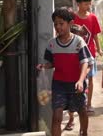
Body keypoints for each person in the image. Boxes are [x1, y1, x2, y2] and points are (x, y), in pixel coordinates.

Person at [36, 7, 93, 136]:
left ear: (70, 24)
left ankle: (84, 133)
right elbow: (51, 63)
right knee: (56, 116)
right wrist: (44, 66)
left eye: (61, 23)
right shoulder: (51, 44)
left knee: (82, 111)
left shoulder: (79, 42)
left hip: (76, 85)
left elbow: (85, 62)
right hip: (59, 85)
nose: (58, 27)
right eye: (55, 24)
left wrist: (80, 80)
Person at [69, 0, 102, 120]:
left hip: (90, 53)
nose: (88, 6)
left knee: (90, 78)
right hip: (75, 53)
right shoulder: (72, 18)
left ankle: (89, 104)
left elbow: (95, 35)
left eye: (89, 3)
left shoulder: (93, 17)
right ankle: (75, 105)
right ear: (78, 4)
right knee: (75, 78)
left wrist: (99, 49)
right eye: (85, 3)